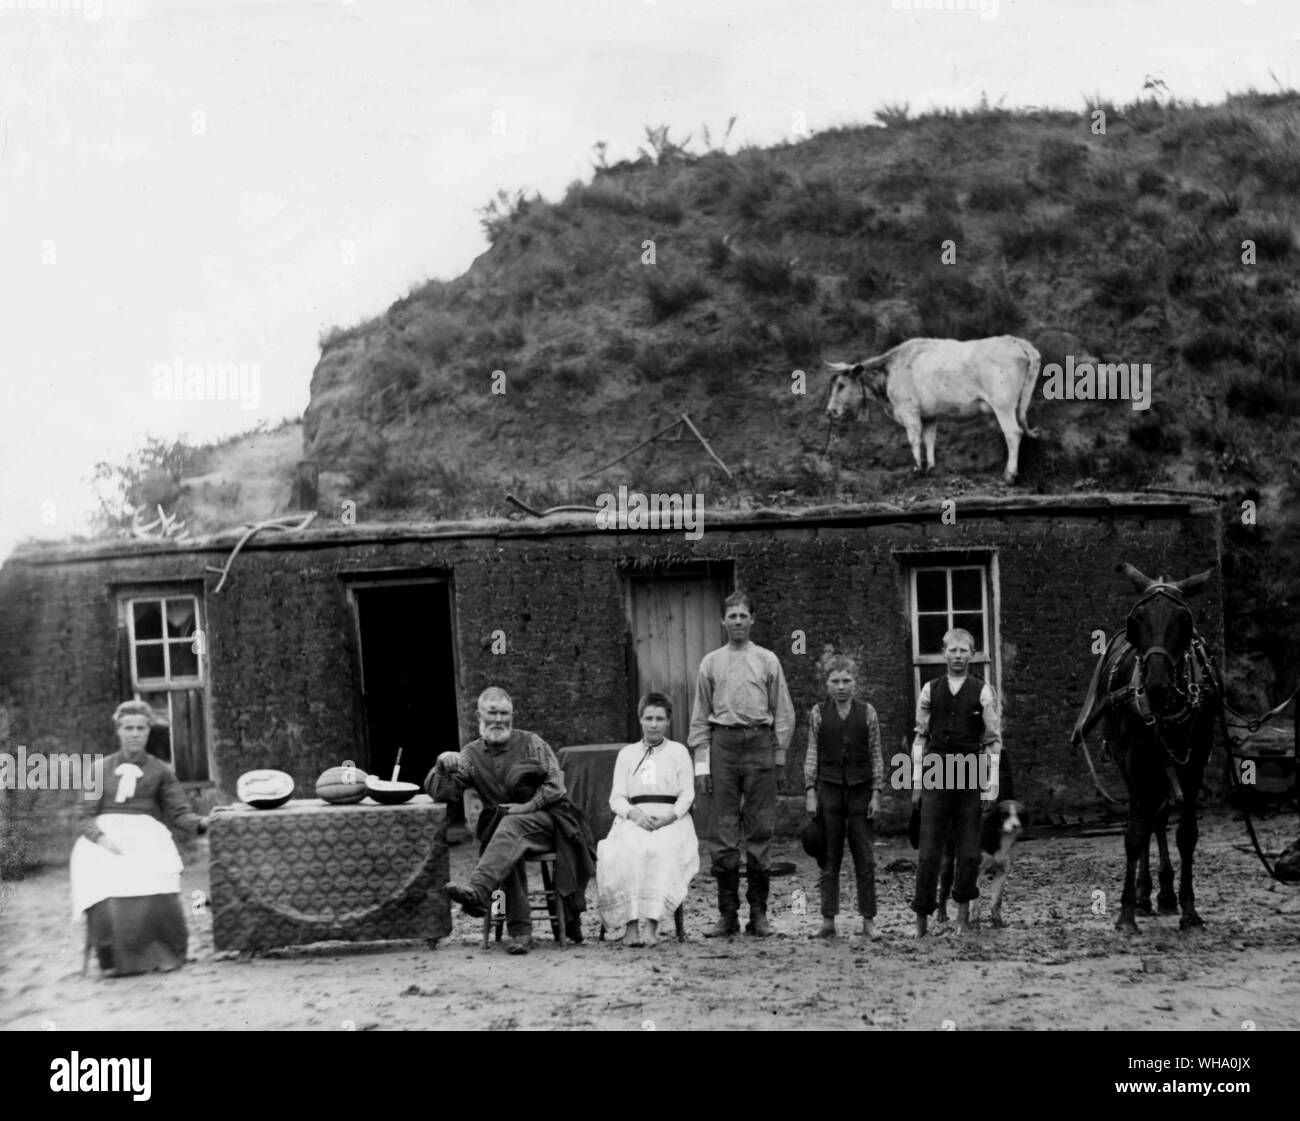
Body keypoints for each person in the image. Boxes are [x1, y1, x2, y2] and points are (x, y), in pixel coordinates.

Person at [431, 687, 593, 955]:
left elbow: (556, 785)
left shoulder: (532, 743)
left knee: (509, 825)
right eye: (492, 712)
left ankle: (479, 891)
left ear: (512, 715)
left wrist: (527, 806)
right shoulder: (471, 755)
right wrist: (440, 767)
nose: (498, 719)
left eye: (504, 713)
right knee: (506, 837)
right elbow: (444, 793)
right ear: (479, 715)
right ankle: (521, 933)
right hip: (508, 830)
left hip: (549, 821)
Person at [70, 699, 209, 976]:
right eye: (128, 728)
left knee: (160, 868)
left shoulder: (161, 770)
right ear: (118, 731)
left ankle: (163, 954)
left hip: (147, 834)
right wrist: (102, 839)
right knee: (104, 872)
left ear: (148, 732)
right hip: (104, 835)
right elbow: (83, 815)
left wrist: (204, 823)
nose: (134, 733)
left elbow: (180, 812)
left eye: (141, 728)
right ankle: (113, 959)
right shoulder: (99, 769)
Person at [688, 590, 795, 937]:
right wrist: (702, 767)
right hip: (724, 745)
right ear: (723, 621)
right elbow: (700, 718)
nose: (737, 621)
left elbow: (783, 712)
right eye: (731, 616)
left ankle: (759, 914)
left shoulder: (767, 660)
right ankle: (728, 915)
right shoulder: (711, 663)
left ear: (752, 620)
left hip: (759, 743)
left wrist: (778, 757)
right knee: (722, 832)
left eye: (742, 615)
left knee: (760, 828)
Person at [910, 628, 1002, 937]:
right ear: (944, 653)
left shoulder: (982, 690)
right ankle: (922, 921)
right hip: (936, 769)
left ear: (973, 654)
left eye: (964, 651)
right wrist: (916, 782)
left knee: (969, 850)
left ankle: (963, 919)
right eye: (953, 650)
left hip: (970, 768)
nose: (959, 656)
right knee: (929, 851)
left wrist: (990, 786)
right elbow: (920, 737)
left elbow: (992, 741)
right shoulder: (929, 690)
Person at [597, 692, 699, 947]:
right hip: (635, 818)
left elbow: (687, 795)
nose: (654, 724)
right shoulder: (627, 754)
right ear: (640, 720)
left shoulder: (679, 752)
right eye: (649, 718)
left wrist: (668, 817)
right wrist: (634, 814)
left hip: (672, 820)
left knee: (659, 849)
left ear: (668, 721)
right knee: (624, 850)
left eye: (660, 719)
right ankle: (631, 925)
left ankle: (652, 925)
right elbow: (616, 798)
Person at [804, 654, 883, 941]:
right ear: (827, 683)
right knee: (829, 857)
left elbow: (876, 754)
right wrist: (811, 791)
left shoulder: (868, 712)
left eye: (846, 681)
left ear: (855, 683)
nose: (841, 687)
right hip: (829, 790)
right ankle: (828, 920)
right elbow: (812, 752)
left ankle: (868, 921)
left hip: (862, 791)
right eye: (835, 681)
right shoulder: (817, 713)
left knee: (865, 858)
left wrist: (877, 792)